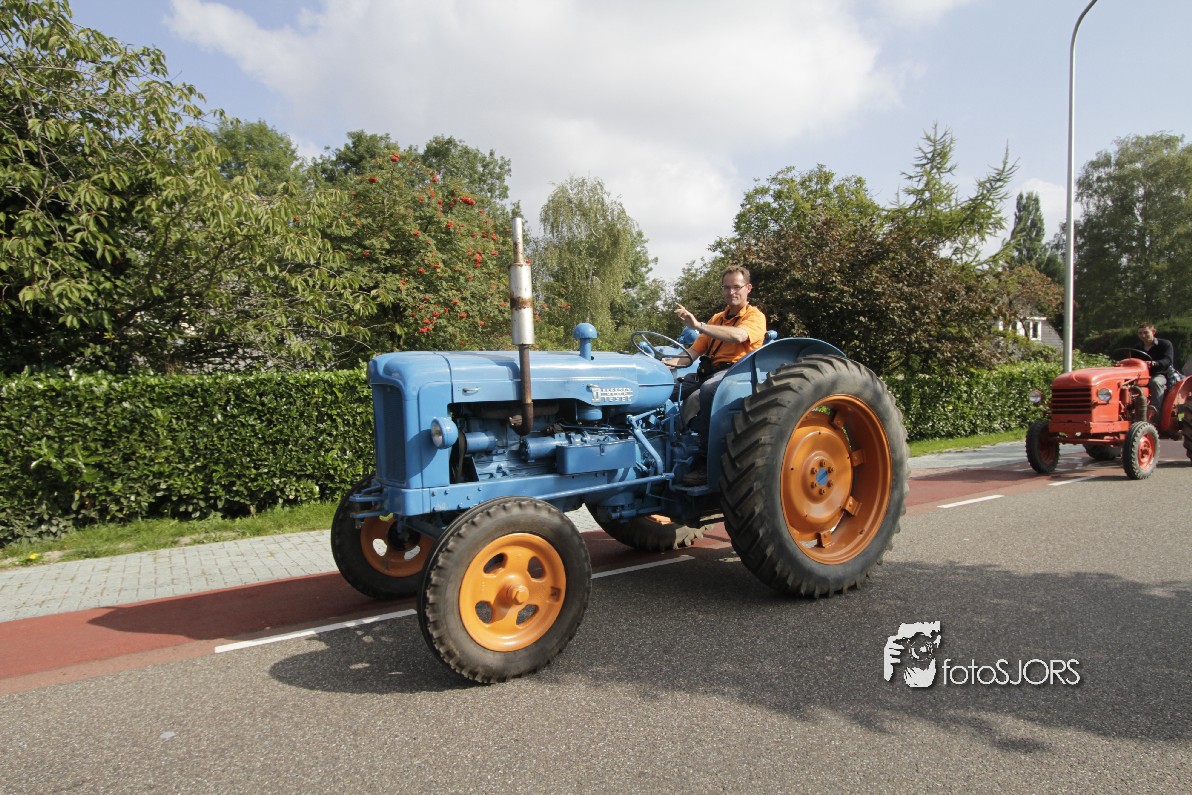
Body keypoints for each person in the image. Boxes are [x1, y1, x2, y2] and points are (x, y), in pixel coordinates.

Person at [665, 266, 767, 485]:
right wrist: (663, 365)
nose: (731, 292)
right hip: (710, 371)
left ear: (748, 288)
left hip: (737, 373)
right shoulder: (717, 319)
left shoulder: (755, 317)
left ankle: (706, 462)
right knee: (665, 389)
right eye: (726, 287)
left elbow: (739, 335)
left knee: (708, 390)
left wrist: (699, 326)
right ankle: (667, 444)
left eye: (736, 287)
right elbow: (691, 354)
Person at [1136, 323, 1179, 414]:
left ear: (1153, 332)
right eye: (1140, 333)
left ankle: (1155, 411)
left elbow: (1168, 360)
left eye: (1146, 332)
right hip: (1141, 376)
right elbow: (1133, 361)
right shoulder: (1137, 347)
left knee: (1156, 382)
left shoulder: (1165, 344)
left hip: (1159, 373)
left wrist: (1155, 363)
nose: (1143, 336)